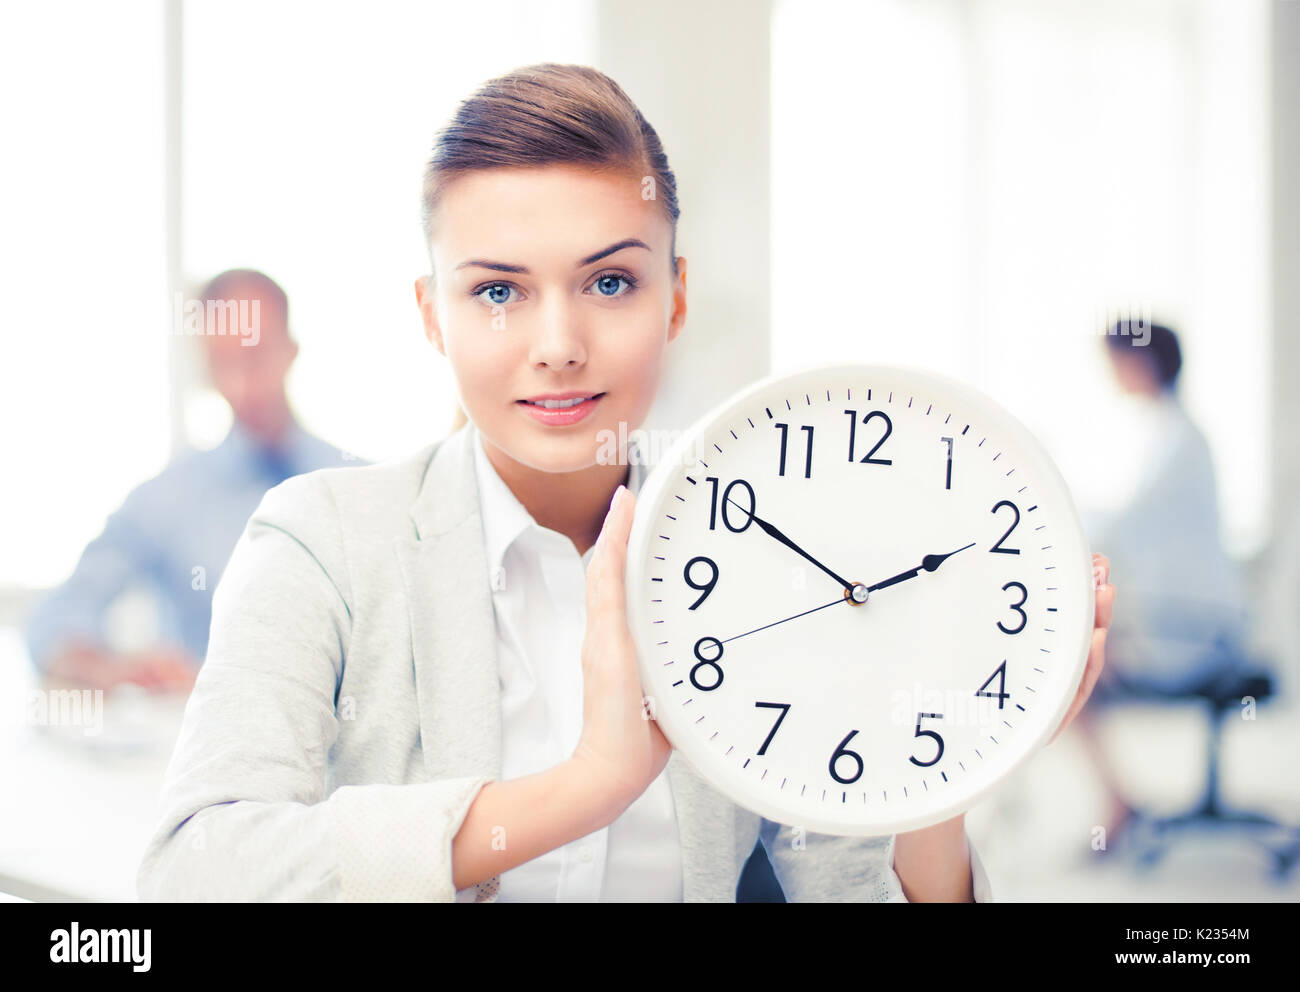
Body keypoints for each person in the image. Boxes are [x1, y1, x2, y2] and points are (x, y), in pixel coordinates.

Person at [136, 63, 1115, 902]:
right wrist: (589, 784)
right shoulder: (323, 537)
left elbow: (841, 882)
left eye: (609, 282)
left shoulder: (773, 540)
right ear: (432, 315)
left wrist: (937, 785)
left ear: (674, 295)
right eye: (496, 291)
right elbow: (199, 865)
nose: (558, 346)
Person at [23, 269, 364, 694]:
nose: (242, 386)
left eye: (254, 356)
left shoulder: (361, 487)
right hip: (208, 746)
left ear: (290, 351)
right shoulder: (168, 499)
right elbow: (57, 615)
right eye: (223, 363)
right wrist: (102, 668)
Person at [1075, 319, 1247, 840]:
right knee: (1079, 667)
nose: (1111, 374)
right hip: (1190, 620)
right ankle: (1120, 800)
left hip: (1190, 632)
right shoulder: (1174, 435)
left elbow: (1120, 525)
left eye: (1117, 361)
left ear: (1141, 364)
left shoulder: (1178, 443)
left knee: (1070, 676)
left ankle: (1119, 802)